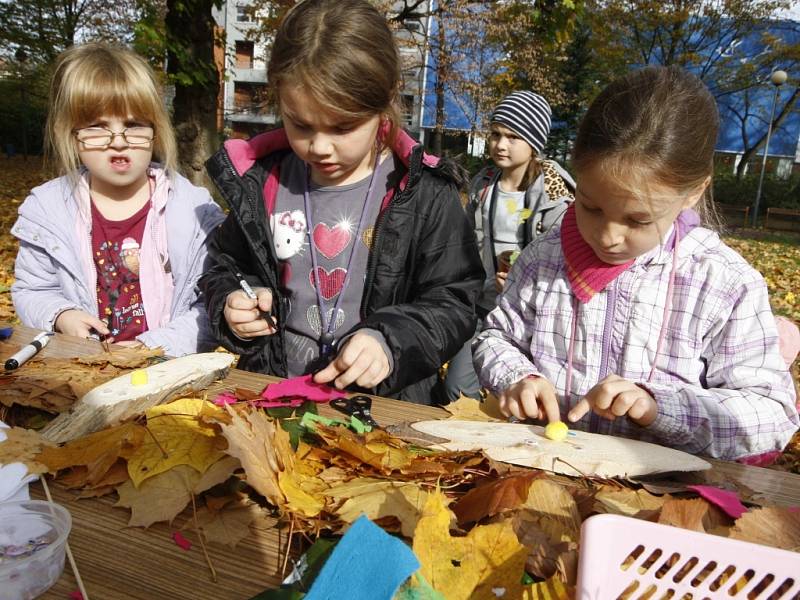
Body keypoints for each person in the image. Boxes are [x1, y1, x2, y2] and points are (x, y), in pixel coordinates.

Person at [473, 65, 799, 460]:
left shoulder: (722, 284)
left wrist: (658, 408)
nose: (608, 235)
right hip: (539, 472)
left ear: (693, 192)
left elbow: (771, 415)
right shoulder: (546, 257)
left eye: (638, 219)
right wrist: (516, 376)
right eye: (590, 207)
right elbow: (496, 337)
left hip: (657, 503)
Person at [199, 0, 483, 404]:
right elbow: (225, 266)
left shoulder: (424, 193)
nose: (319, 146)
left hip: (384, 411)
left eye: (342, 127)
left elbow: (454, 300)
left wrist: (390, 340)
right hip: (275, 399)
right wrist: (233, 300)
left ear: (384, 101)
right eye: (300, 124)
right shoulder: (262, 183)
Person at [11, 43, 225, 357]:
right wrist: (61, 315)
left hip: (167, 371)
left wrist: (155, 347)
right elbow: (34, 289)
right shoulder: (47, 211)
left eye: (133, 125)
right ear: (71, 134)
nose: (119, 142)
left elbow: (211, 305)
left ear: (156, 130)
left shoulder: (193, 212)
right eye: (98, 127)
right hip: (82, 368)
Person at [442, 91, 574, 402]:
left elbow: (564, 259)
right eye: (496, 134)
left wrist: (522, 282)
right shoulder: (483, 184)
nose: (501, 144)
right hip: (481, 305)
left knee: (521, 399)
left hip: (530, 316)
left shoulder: (554, 196)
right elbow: (464, 242)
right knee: (457, 389)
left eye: (513, 137)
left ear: (534, 143)